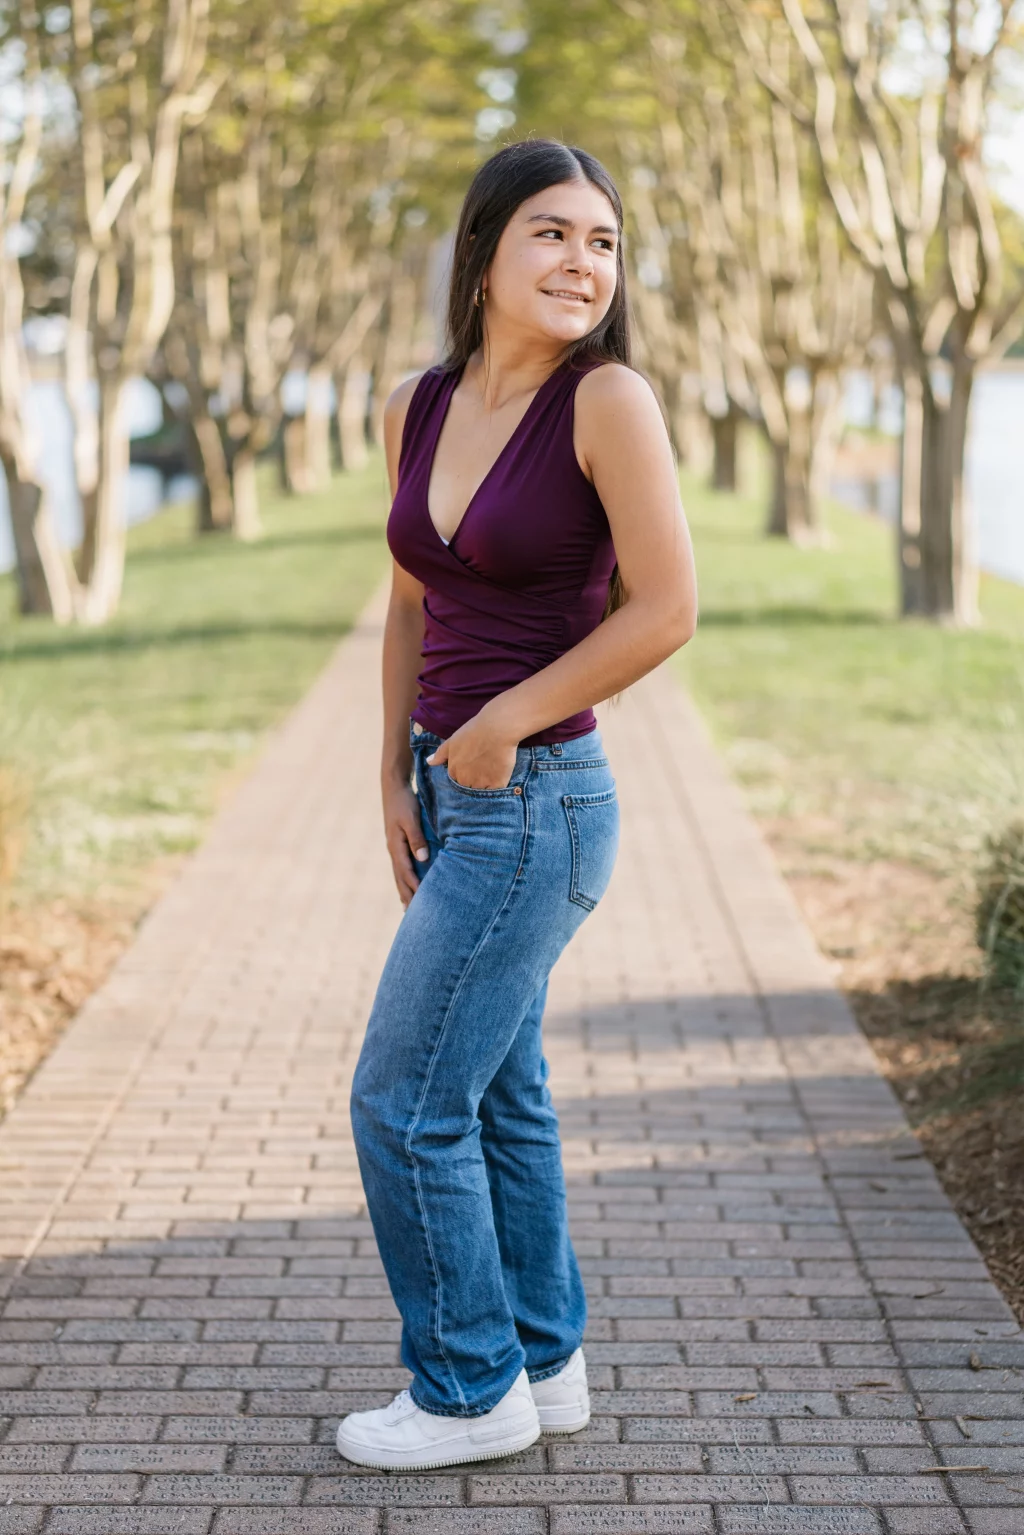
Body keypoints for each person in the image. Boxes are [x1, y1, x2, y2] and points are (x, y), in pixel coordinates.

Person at [337, 138, 697, 1472]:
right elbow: (412, 600)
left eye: (603, 243)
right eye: (554, 233)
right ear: (484, 251)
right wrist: (393, 763)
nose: (583, 264)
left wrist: (497, 722)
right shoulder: (412, 404)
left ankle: (463, 1385)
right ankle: (542, 1365)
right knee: (494, 1092)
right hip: (454, 782)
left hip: (539, 796)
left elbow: (668, 609)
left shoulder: (608, 403)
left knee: (400, 1099)